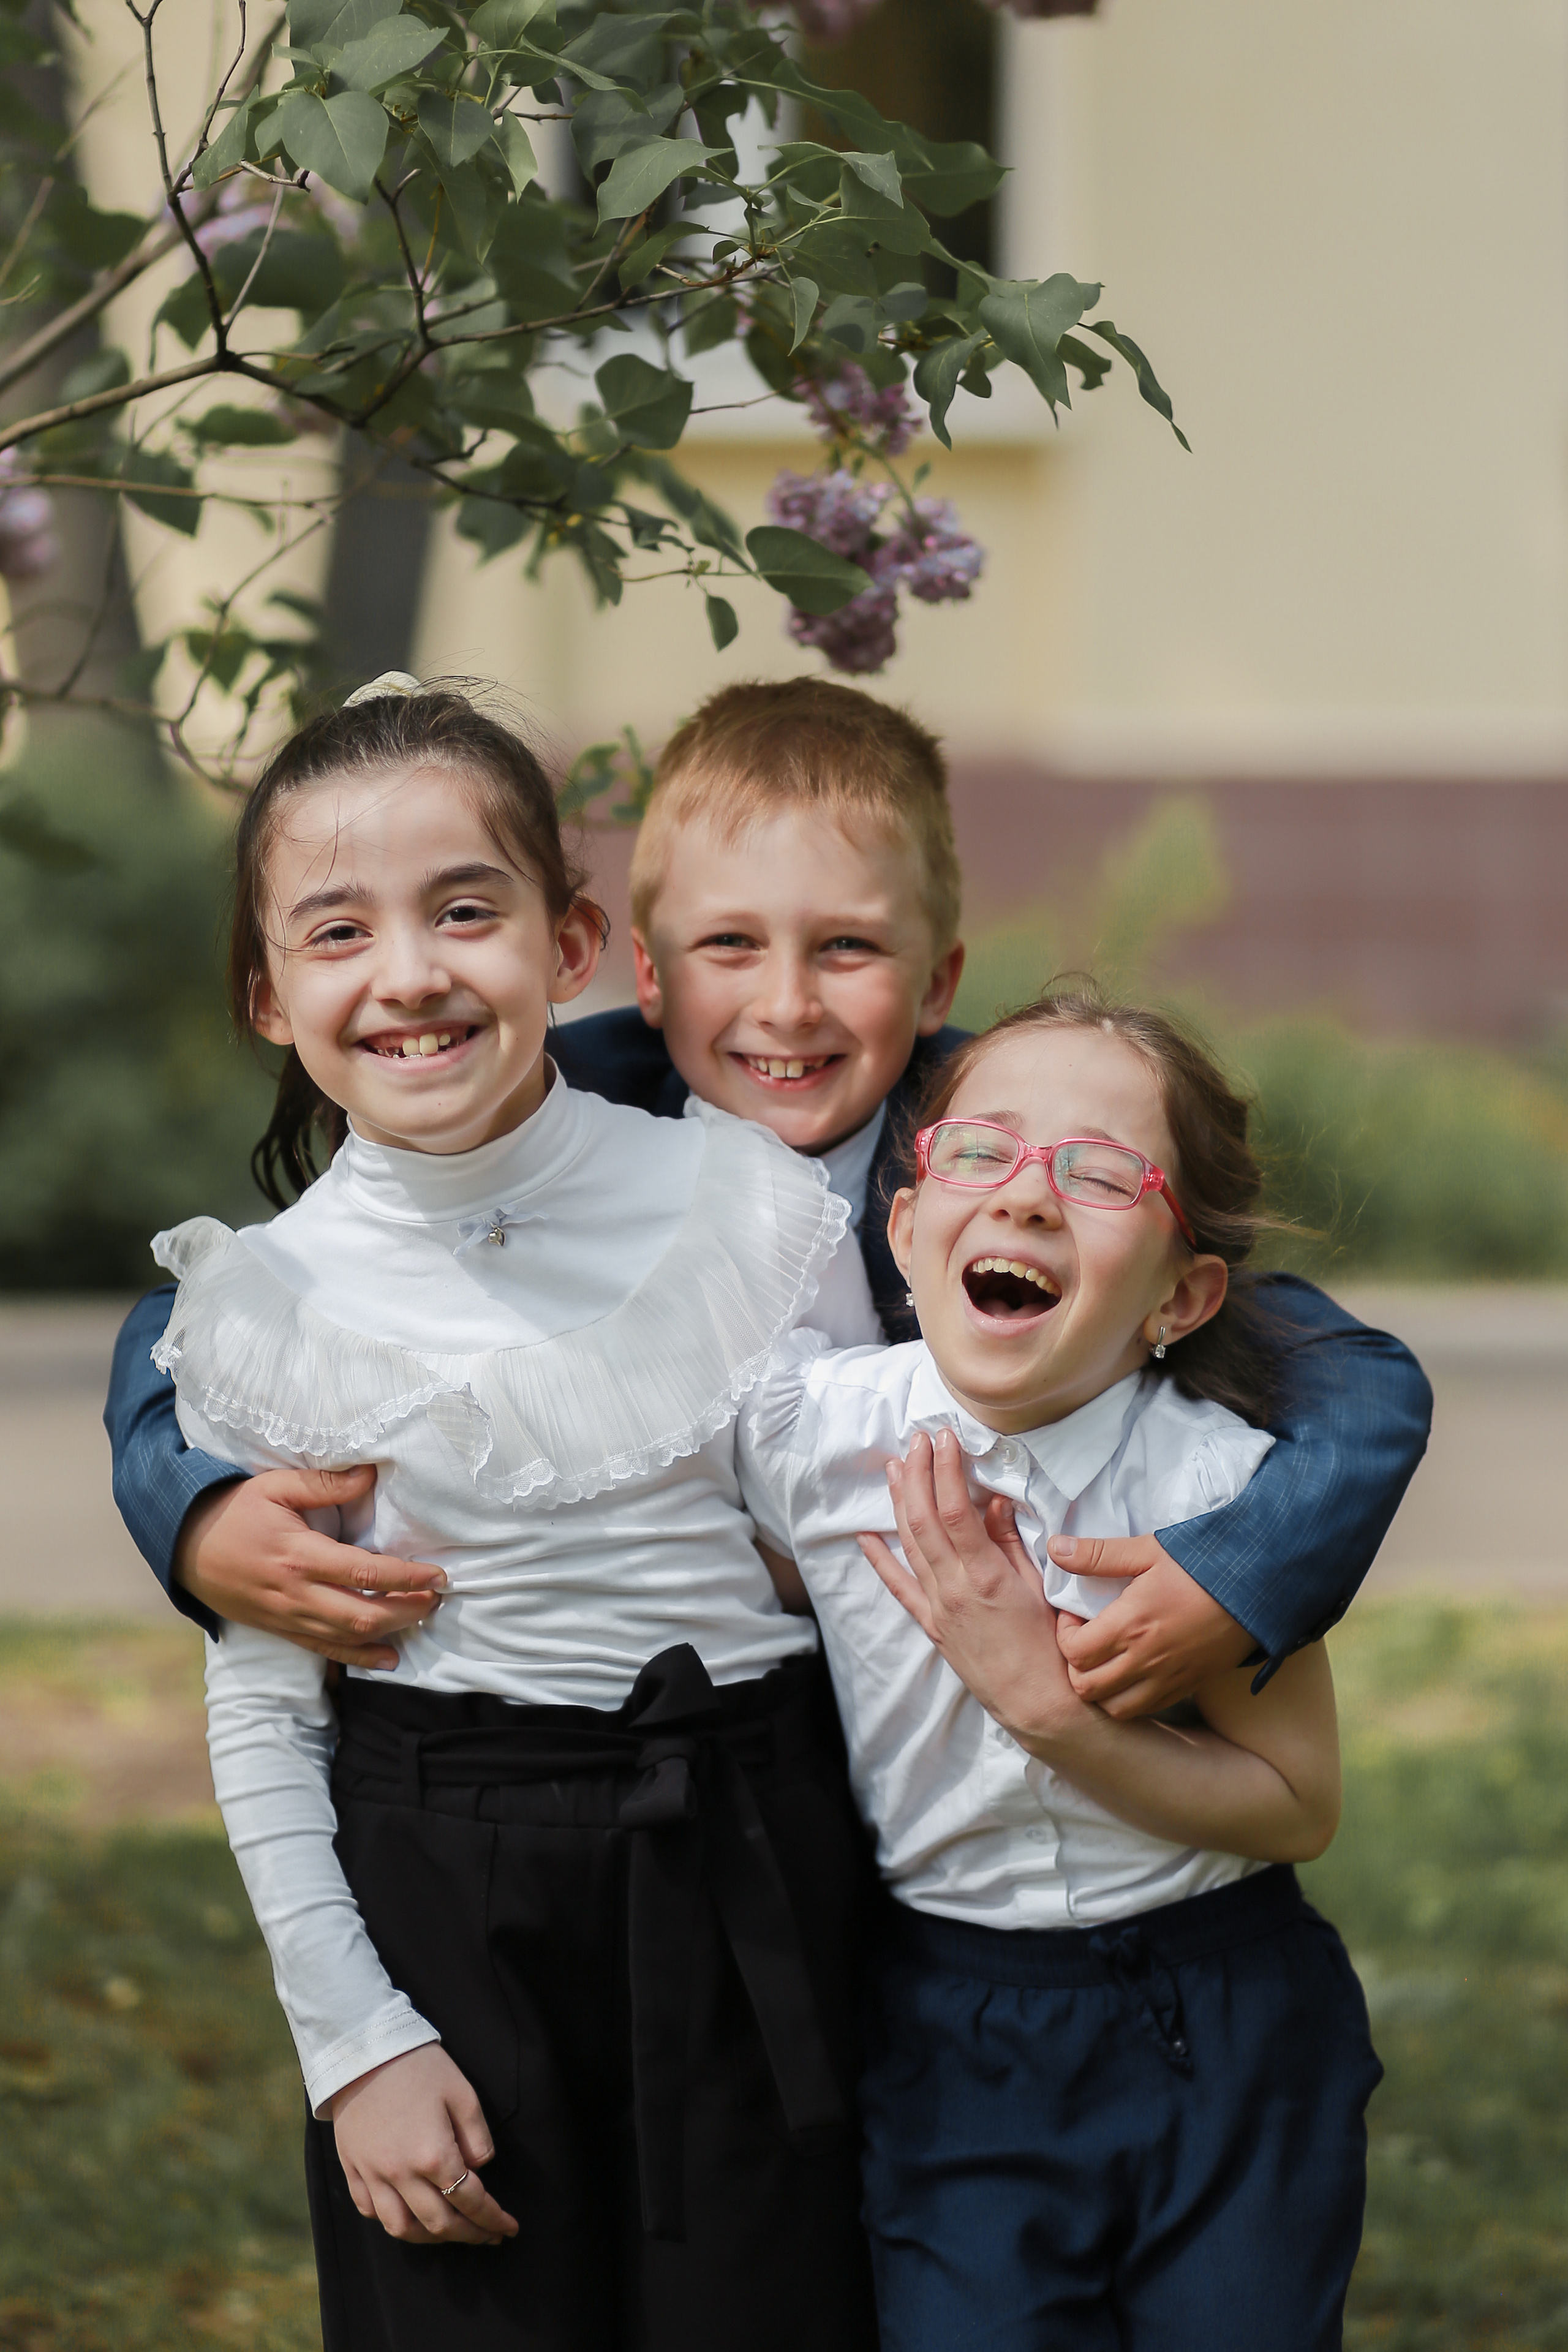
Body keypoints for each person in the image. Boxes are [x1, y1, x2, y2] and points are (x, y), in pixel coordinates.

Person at [104, 676, 1431, 1712]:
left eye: (846, 947)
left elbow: (1350, 1374)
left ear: (934, 982)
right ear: (645, 970)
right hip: (673, 1710)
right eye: (728, 945)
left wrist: (1245, 1573)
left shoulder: (999, 1143)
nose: (784, 1006)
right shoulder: (572, 1101)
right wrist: (195, 1512)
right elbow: (228, 1305)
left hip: (953, 1706)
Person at [148, 679, 881, 2351]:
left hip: (747, 1856)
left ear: (566, 944)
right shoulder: (261, 1308)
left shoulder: (748, 1208)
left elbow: (857, 1566)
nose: (408, 973)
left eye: (462, 910)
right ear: (271, 999)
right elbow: (263, 1709)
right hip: (435, 1889)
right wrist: (356, 2044)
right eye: (339, 934)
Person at [735, 987, 1382, 2351]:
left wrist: (1050, 1713)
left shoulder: (1221, 1494)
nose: (1026, 1196)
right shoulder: (808, 1440)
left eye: (1096, 1173)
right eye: (981, 1153)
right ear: (906, 1234)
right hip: (951, 2025)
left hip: (1223, 2013)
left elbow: (1295, 1805)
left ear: (1179, 1295)